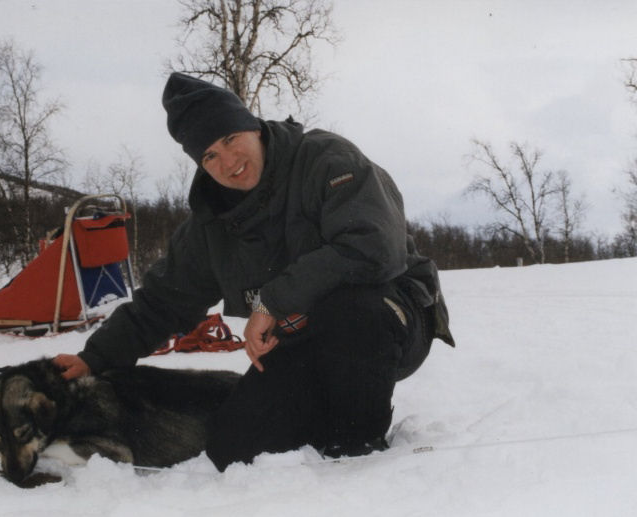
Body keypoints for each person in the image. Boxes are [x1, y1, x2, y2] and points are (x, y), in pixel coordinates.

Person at [54, 72, 454, 471]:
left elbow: (374, 248)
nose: (229, 162)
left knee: (353, 310)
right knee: (234, 450)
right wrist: (94, 357)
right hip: (300, 339)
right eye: (209, 155)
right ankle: (320, 421)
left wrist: (272, 301)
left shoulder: (327, 159)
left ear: (253, 127)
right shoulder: (211, 225)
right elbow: (160, 303)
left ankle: (357, 448)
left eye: (230, 139)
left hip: (391, 317)